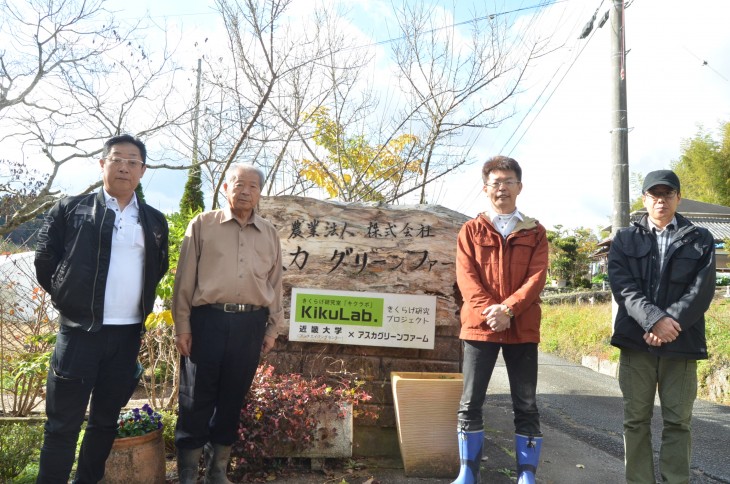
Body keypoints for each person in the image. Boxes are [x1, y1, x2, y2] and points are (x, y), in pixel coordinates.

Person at [34, 134, 169, 483]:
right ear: (102, 163)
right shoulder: (70, 209)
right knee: (62, 424)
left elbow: (160, 267)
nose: (124, 166)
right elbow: (46, 262)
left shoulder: (154, 221)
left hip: (125, 337)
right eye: (117, 159)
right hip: (79, 333)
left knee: (105, 422)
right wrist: (69, 298)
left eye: (133, 161)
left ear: (143, 170)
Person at [172, 163, 284, 484]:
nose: (245, 191)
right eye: (238, 184)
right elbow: (184, 280)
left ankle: (217, 471)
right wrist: (183, 325)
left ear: (260, 192)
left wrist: (272, 329)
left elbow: (275, 285)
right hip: (207, 321)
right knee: (196, 397)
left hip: (251, 325)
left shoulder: (269, 234)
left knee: (233, 397)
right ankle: (189, 473)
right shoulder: (203, 225)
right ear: (225, 187)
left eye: (252, 186)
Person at [608, 169, 715, 484]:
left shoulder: (701, 239)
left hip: (681, 344)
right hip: (635, 341)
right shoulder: (625, 239)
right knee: (635, 421)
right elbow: (623, 287)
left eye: (667, 194)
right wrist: (655, 320)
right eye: (654, 194)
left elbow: (702, 290)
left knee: (678, 422)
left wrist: (671, 323)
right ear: (644, 199)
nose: (660, 200)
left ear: (678, 198)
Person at [453, 156, 549, 484]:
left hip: (521, 328)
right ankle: (468, 472)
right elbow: (466, 279)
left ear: (519, 187)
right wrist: (491, 313)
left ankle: (526, 475)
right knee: (470, 402)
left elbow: (536, 277)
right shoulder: (471, 230)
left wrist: (508, 310)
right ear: (485, 189)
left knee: (526, 403)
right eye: (496, 182)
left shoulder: (535, 231)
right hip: (480, 329)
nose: (502, 188)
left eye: (508, 181)